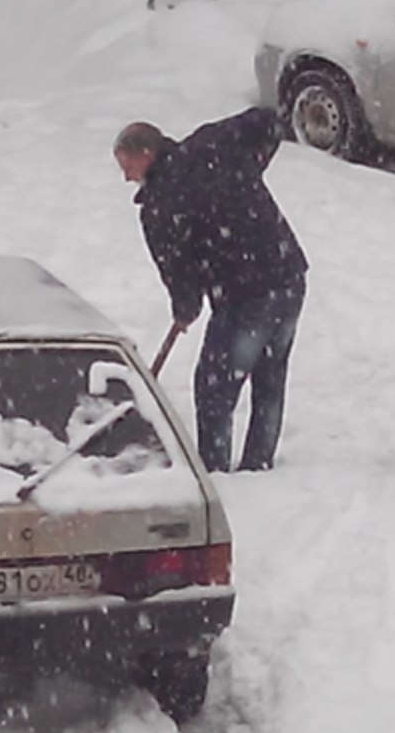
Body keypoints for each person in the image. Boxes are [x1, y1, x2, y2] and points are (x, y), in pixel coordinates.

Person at [113, 107, 307, 473]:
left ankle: (215, 472)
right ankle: (257, 464)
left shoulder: (160, 206)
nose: (126, 178)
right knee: (270, 374)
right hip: (289, 274)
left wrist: (185, 308)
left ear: (146, 154)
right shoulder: (211, 144)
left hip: (245, 292)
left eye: (127, 166)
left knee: (214, 387)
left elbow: (178, 269)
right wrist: (250, 170)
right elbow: (267, 121)